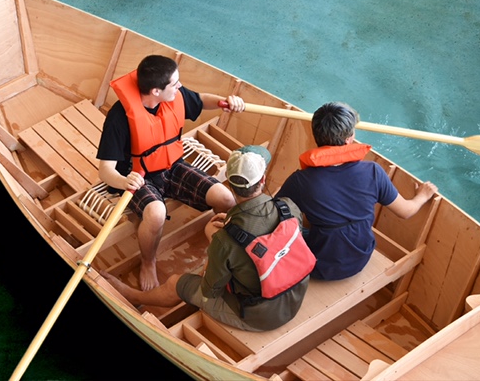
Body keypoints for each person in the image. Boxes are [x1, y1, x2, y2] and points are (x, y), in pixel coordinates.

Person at [101, 145, 312, 331]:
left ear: (229, 182)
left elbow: (209, 291)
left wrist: (213, 239)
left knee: (177, 283)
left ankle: (133, 296)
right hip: (297, 294)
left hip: (261, 316)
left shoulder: (224, 240)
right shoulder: (287, 206)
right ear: (263, 180)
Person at [97, 55, 245, 291]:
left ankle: (222, 252)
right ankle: (148, 261)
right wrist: (124, 180)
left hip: (172, 165)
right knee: (156, 212)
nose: (180, 87)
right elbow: (105, 170)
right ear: (156, 91)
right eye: (175, 84)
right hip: (136, 174)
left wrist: (224, 102)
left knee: (226, 199)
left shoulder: (172, 95)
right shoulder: (119, 117)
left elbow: (199, 100)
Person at [275, 101, 439, 281]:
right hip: (361, 258)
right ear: (349, 139)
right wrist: (422, 196)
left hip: (319, 266)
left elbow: (272, 215)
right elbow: (406, 211)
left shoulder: (300, 180)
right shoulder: (374, 172)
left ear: (316, 136)